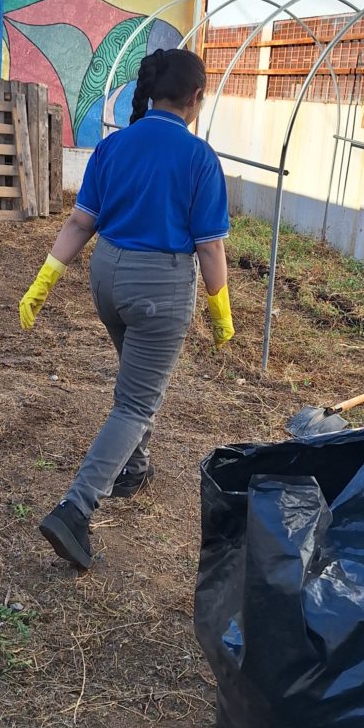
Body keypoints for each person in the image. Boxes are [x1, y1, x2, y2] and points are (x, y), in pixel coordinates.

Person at [18, 47, 234, 571]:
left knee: (137, 384)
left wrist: (42, 282)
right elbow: (209, 247)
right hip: (158, 286)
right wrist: (221, 310)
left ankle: (133, 468)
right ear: (196, 99)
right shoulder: (199, 158)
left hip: (106, 279)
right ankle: (77, 506)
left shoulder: (113, 146)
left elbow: (78, 224)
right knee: (136, 402)